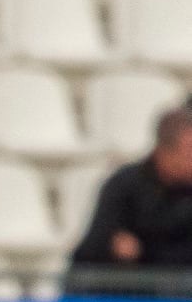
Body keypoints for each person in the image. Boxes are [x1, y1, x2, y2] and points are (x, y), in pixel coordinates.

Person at [68, 105, 192, 290]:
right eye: (189, 153)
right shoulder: (124, 186)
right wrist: (114, 249)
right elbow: (91, 251)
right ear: (164, 151)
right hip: (126, 296)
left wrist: (144, 251)